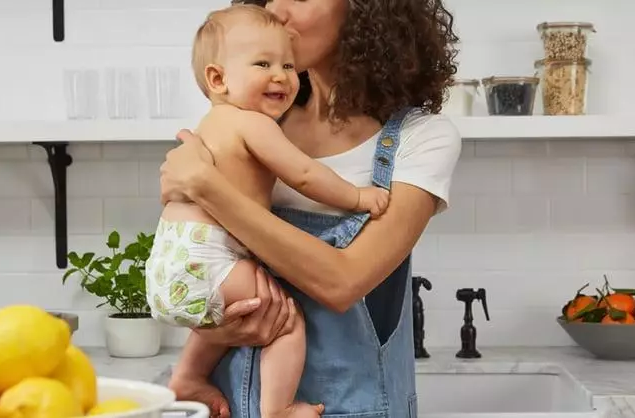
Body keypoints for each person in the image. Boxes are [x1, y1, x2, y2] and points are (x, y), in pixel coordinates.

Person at [159, 0, 462, 418]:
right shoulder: (255, 118)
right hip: (227, 405)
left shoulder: (421, 138)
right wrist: (215, 322)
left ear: (364, 9)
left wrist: (208, 187)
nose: (277, 10)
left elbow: (342, 282)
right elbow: (204, 260)